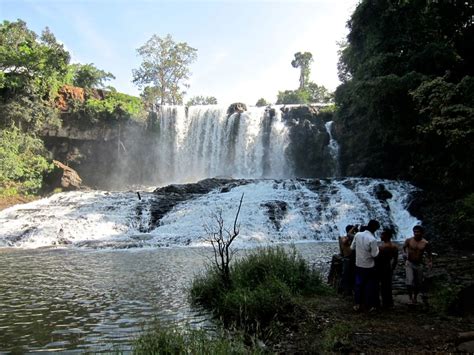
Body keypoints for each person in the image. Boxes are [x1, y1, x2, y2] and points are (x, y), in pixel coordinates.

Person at [350, 219, 380, 312]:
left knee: (358, 285)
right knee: (370, 286)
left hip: (358, 264)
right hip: (369, 266)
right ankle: (370, 306)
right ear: (375, 229)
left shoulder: (358, 235)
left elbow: (352, 247)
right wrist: (378, 249)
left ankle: (357, 305)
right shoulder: (372, 239)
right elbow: (375, 255)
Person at [403, 225, 433, 304]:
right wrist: (405, 255)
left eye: (418, 232)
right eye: (415, 232)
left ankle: (415, 297)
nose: (416, 233)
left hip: (419, 264)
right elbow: (404, 248)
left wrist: (430, 262)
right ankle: (410, 297)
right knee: (409, 281)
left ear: (422, 233)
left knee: (418, 282)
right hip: (409, 263)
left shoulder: (425, 243)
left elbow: (429, 253)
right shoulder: (409, 240)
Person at [376, 228, 399, 309]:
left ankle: (380, 303)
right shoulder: (394, 247)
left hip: (380, 267)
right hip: (388, 266)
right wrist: (392, 268)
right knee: (387, 286)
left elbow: (376, 258)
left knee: (379, 285)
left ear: (386, 236)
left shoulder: (381, 248)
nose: (380, 236)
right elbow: (395, 260)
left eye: (382, 234)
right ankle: (389, 303)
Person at [338, 224, 358, 296]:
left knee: (353, 275)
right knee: (346, 275)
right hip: (347, 259)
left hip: (354, 259)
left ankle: (351, 290)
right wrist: (353, 229)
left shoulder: (355, 238)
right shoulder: (344, 238)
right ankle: (345, 291)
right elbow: (344, 242)